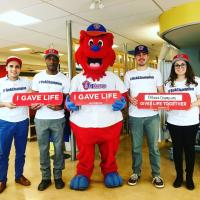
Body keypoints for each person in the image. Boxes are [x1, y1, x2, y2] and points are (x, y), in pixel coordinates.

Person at [65, 23, 127, 190]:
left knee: (109, 153)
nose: (94, 50)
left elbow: (123, 95)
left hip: (110, 123)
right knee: (85, 153)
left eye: (99, 44)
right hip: (83, 124)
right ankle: (83, 172)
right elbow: (70, 98)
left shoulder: (113, 77)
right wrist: (69, 104)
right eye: (91, 44)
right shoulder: (77, 79)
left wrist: (122, 102)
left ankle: (110, 171)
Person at [124, 45, 164, 188]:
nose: (141, 57)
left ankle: (156, 175)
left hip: (152, 115)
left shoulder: (156, 72)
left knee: (154, 147)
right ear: (135, 58)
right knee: (136, 147)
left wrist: (158, 102)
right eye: (138, 55)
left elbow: (161, 91)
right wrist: (129, 99)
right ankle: (136, 172)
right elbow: (125, 92)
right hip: (135, 115)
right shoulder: (129, 74)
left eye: (144, 54)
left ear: (148, 56)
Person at [31, 48, 70, 191]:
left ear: (58, 60)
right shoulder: (37, 77)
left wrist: (60, 107)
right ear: (45, 60)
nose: (52, 60)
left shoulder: (64, 79)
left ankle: (58, 176)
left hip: (58, 119)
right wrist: (33, 105)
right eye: (49, 58)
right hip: (41, 119)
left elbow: (67, 100)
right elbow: (33, 97)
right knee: (43, 149)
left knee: (59, 149)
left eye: (54, 58)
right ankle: (45, 177)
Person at [164, 53, 200, 190]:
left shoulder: (196, 81)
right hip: (174, 121)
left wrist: (190, 104)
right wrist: (166, 105)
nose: (179, 67)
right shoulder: (168, 84)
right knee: (177, 150)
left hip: (191, 121)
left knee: (189, 150)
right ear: (173, 68)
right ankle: (179, 176)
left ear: (187, 66)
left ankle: (189, 177)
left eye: (182, 64)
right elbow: (166, 101)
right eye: (177, 65)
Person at [0, 56, 31, 193]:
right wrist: (5, 104)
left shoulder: (26, 82)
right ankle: (2, 179)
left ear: (20, 69)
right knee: (2, 154)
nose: (14, 69)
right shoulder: (0, 82)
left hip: (22, 122)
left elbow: (32, 97)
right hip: (5, 122)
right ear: (6, 68)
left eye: (17, 66)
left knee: (20, 153)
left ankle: (19, 176)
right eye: (11, 66)